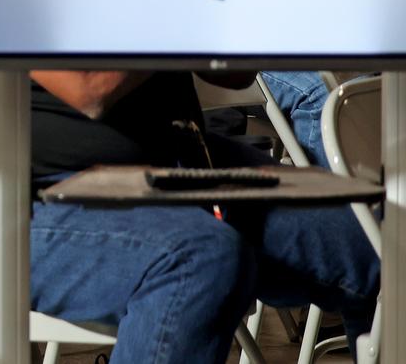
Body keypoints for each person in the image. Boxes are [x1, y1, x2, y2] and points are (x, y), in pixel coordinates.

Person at [29, 68, 380, 364]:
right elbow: (88, 86)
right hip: (28, 191)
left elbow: (235, 75)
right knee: (198, 262)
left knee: (377, 244)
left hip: (179, 160)